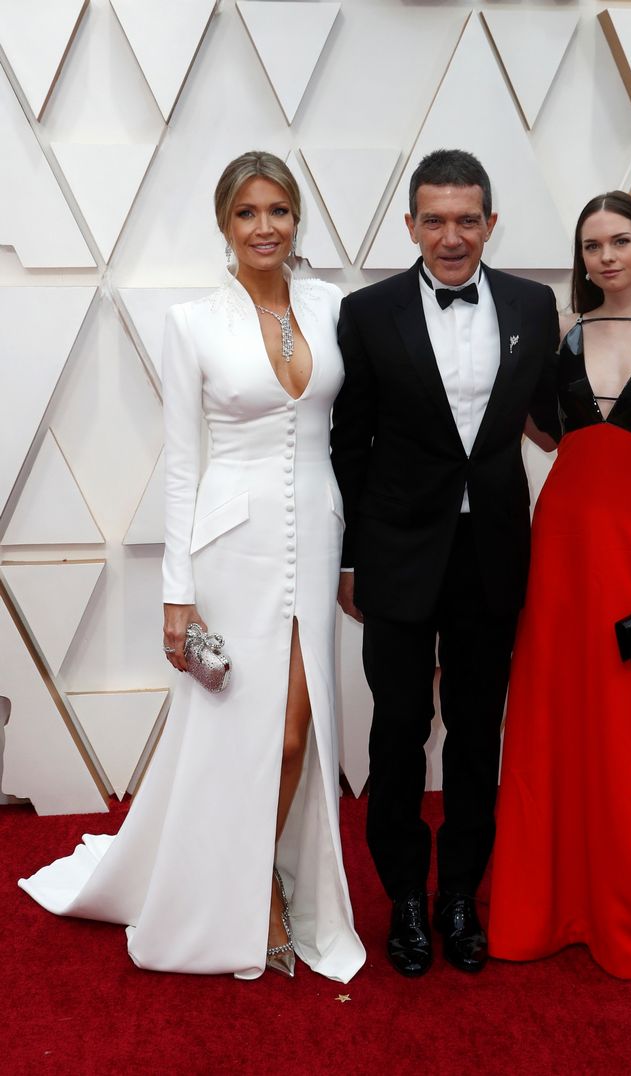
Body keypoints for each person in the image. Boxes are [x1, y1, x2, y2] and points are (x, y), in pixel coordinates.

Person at [19, 151, 365, 984]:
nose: (263, 227)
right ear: (223, 223)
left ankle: (261, 874)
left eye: (277, 210)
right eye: (246, 212)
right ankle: (257, 896)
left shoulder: (332, 307)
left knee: (298, 733)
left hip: (316, 533)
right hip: (231, 548)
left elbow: (355, 434)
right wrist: (177, 596)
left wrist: (357, 551)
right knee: (238, 732)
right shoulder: (193, 323)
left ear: (297, 219)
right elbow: (183, 465)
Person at [330, 149, 559, 977]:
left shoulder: (534, 304)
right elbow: (349, 445)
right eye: (435, 220)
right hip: (396, 551)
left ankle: (460, 891)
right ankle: (404, 896)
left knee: (474, 729)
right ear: (410, 225)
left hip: (491, 550)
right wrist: (350, 560)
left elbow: (552, 416)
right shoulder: (368, 312)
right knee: (397, 731)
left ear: (491, 223)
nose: (451, 237)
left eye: (467, 220)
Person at [488, 190, 631, 980]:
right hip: (563, 542)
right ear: (581, 260)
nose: (606, 257)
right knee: (558, 707)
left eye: (620, 240)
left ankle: (629, 886)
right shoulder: (567, 334)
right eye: (592, 246)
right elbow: (552, 434)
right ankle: (554, 889)